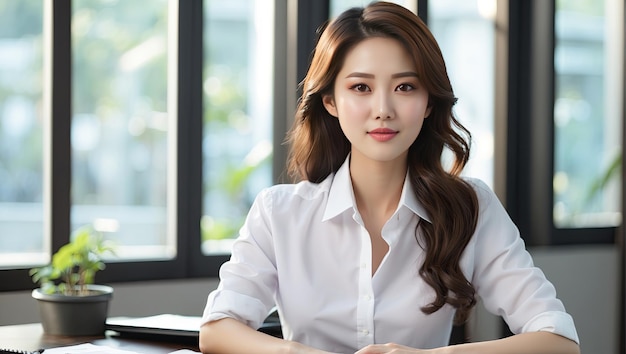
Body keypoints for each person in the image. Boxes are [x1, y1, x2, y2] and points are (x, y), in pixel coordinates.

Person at [199, 2, 580, 353]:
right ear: (330, 100)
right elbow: (217, 329)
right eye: (361, 87)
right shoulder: (278, 213)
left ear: (429, 101)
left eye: (405, 87)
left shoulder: (471, 208)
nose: (383, 109)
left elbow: (558, 340)